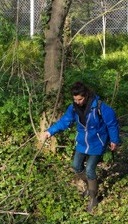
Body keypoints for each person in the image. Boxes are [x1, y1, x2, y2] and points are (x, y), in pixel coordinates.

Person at [42, 81, 120, 212]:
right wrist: (50, 131)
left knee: (90, 169)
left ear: (87, 95)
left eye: (80, 99)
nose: (78, 102)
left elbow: (112, 123)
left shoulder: (100, 106)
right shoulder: (73, 108)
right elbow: (65, 121)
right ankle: (90, 186)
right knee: (76, 166)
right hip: (82, 142)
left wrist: (114, 140)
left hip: (97, 142)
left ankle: (93, 198)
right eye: (75, 99)